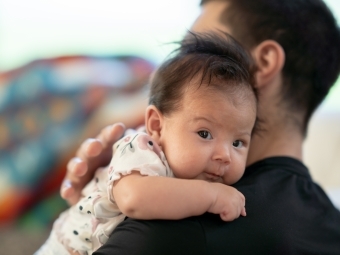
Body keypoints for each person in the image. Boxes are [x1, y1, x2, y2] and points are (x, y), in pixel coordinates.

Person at [61, 0, 340, 254]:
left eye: (195, 51)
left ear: (263, 63)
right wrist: (93, 207)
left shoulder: (179, 219)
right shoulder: (330, 226)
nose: (161, 73)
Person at [36, 31, 257, 255]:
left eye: (238, 142)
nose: (225, 155)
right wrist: (211, 196)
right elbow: (133, 198)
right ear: (157, 126)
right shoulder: (139, 147)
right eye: (204, 134)